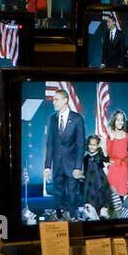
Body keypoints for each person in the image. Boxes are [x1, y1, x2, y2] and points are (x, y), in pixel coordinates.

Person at [43, 88, 85, 218]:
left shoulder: (77, 119)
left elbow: (80, 144)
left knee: (72, 194)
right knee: (58, 194)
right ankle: (59, 219)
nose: (53, 102)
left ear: (65, 100)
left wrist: (78, 167)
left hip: (72, 165)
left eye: (56, 99)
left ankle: (73, 218)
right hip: (58, 165)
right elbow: (50, 144)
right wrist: (47, 166)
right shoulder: (53, 119)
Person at [81, 136, 111, 215]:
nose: (92, 147)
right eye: (90, 145)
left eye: (94, 145)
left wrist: (103, 147)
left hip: (100, 183)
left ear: (97, 145)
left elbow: (107, 159)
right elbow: (86, 171)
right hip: (89, 184)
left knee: (101, 203)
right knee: (91, 204)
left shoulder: (100, 156)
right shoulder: (86, 158)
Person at [105, 111, 128, 200]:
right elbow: (109, 153)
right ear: (114, 121)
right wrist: (111, 139)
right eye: (118, 120)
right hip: (113, 167)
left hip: (123, 168)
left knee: (123, 194)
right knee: (112, 195)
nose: (120, 122)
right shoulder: (110, 135)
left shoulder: (127, 136)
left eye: (122, 120)